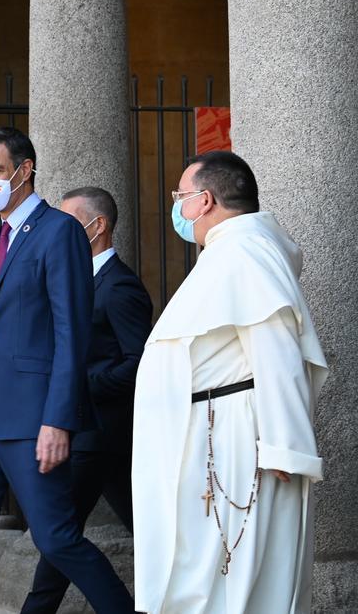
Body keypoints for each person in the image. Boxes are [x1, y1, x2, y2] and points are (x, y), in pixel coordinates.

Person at [0, 127, 135, 614]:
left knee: (57, 540)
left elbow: (72, 332)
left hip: (33, 420)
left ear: (24, 171)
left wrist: (58, 420)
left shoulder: (60, 230)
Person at [133, 151, 325, 613]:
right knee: (206, 572)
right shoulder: (226, 252)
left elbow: (277, 350)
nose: (177, 206)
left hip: (233, 444)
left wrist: (285, 447)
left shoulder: (244, 251)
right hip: (208, 438)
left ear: (206, 199)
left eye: (181, 196)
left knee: (230, 575)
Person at [21, 187, 152, 613]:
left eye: (70, 222)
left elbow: (140, 363)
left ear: (98, 227)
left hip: (101, 435)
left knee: (57, 534)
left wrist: (79, 385)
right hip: (91, 435)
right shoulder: (78, 282)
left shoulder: (119, 287)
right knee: (66, 534)